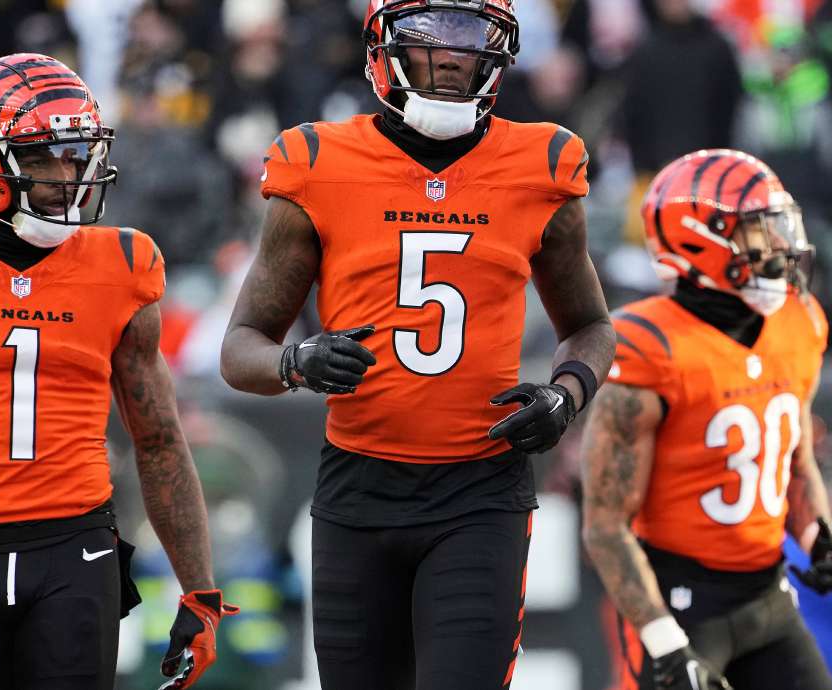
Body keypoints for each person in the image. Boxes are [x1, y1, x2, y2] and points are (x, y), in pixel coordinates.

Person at [219, 2, 616, 688]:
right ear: (382, 46)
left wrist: (566, 393)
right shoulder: (318, 161)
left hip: (480, 490)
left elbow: (591, 326)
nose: (457, 56)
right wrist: (296, 362)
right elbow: (240, 349)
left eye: (474, 37)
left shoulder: (541, 162)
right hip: (358, 490)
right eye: (434, 37)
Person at [0, 53, 234, 690]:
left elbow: (161, 440)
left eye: (74, 155)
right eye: (38, 157)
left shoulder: (123, 264)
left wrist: (200, 591)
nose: (65, 175)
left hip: (75, 555)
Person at [580, 149, 832, 690]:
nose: (780, 246)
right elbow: (606, 525)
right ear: (700, 239)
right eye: (758, 231)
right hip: (680, 605)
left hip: (768, 598)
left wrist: (814, 527)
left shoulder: (799, 321)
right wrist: (662, 640)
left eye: (779, 226)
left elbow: (793, 456)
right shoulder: (649, 345)